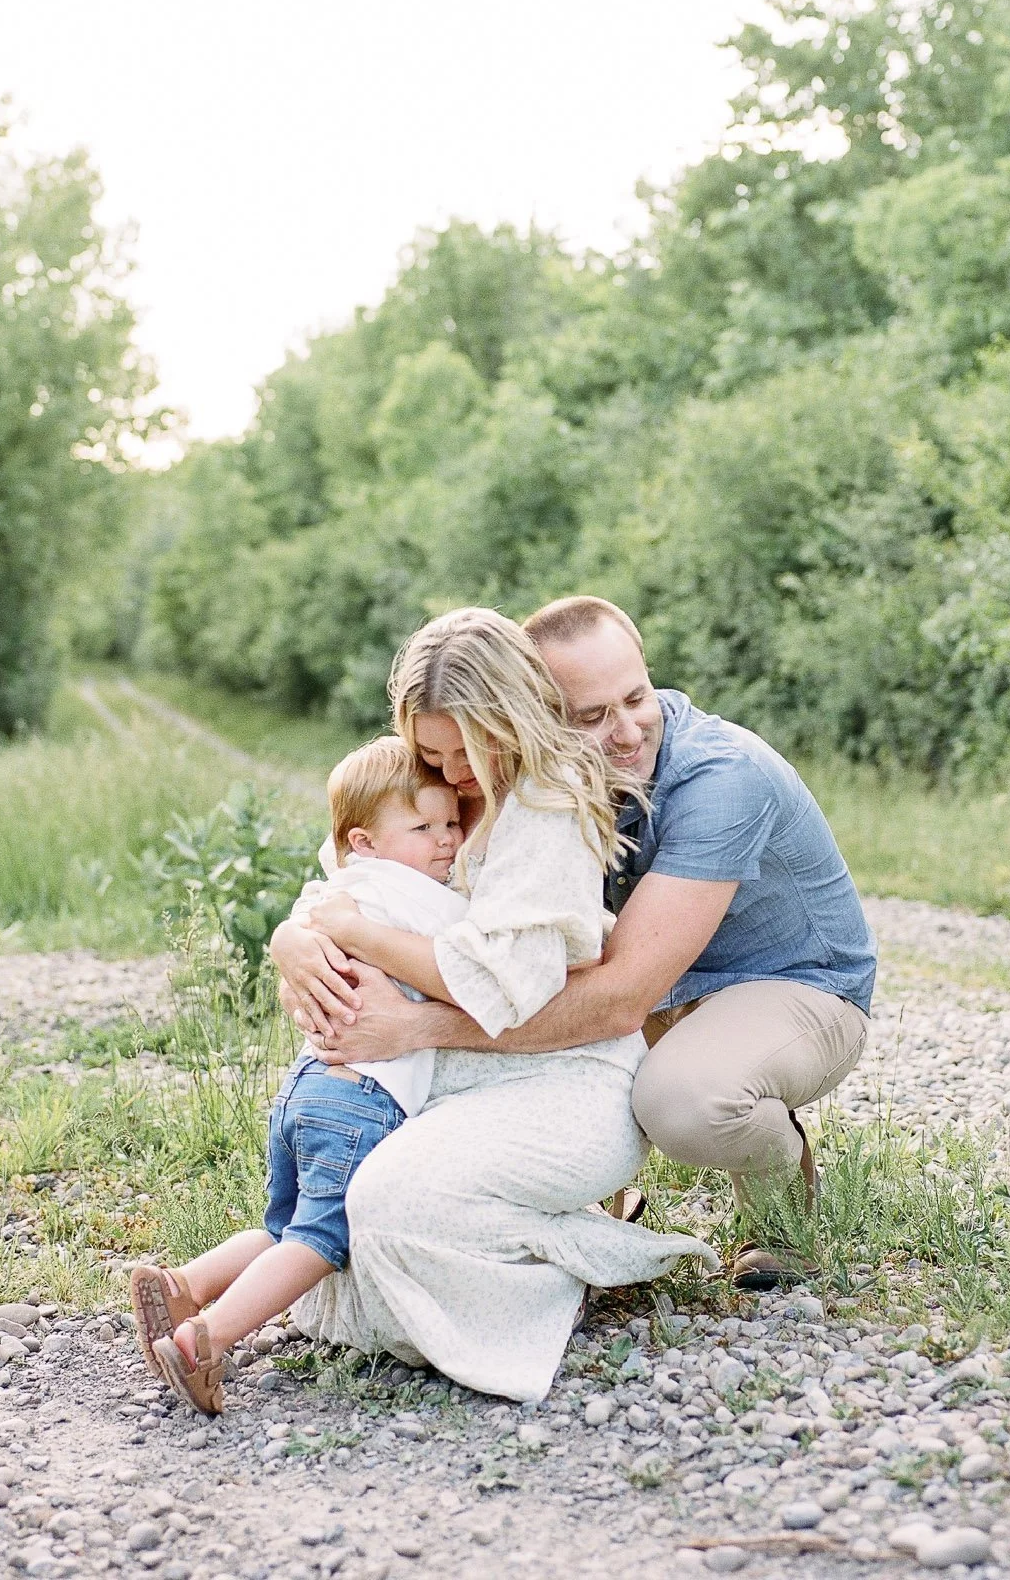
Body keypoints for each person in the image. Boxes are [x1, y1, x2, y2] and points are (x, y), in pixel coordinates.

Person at [278, 596, 874, 1290]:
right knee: (561, 1071)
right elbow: (364, 872)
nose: (624, 732)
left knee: (683, 1101)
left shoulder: (722, 780)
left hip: (793, 985)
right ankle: (566, 1208)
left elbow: (619, 1001)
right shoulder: (500, 771)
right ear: (536, 713)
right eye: (591, 716)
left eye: (636, 697)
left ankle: (780, 1199)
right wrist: (293, 938)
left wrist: (414, 1027)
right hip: (657, 982)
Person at [277, 607, 716, 1402]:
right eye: (431, 751)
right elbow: (348, 879)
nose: (448, 773)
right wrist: (294, 939)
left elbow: (497, 984)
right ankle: (507, 1254)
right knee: (342, 1207)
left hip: (566, 1078)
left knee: (385, 1203)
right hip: (449, 1079)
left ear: (509, 717)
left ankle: (572, 1263)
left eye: (464, 749)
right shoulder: (431, 786)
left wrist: (358, 938)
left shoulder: (549, 808)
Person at [128, 736, 469, 1415]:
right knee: (320, 1240)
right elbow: (473, 959)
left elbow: (307, 913)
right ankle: (206, 1338)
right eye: (424, 827)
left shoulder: (335, 887)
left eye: (453, 824)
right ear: (366, 842)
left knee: (282, 1228)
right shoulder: (416, 898)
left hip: (305, 1089)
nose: (446, 843)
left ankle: (185, 1283)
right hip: (360, 1103)